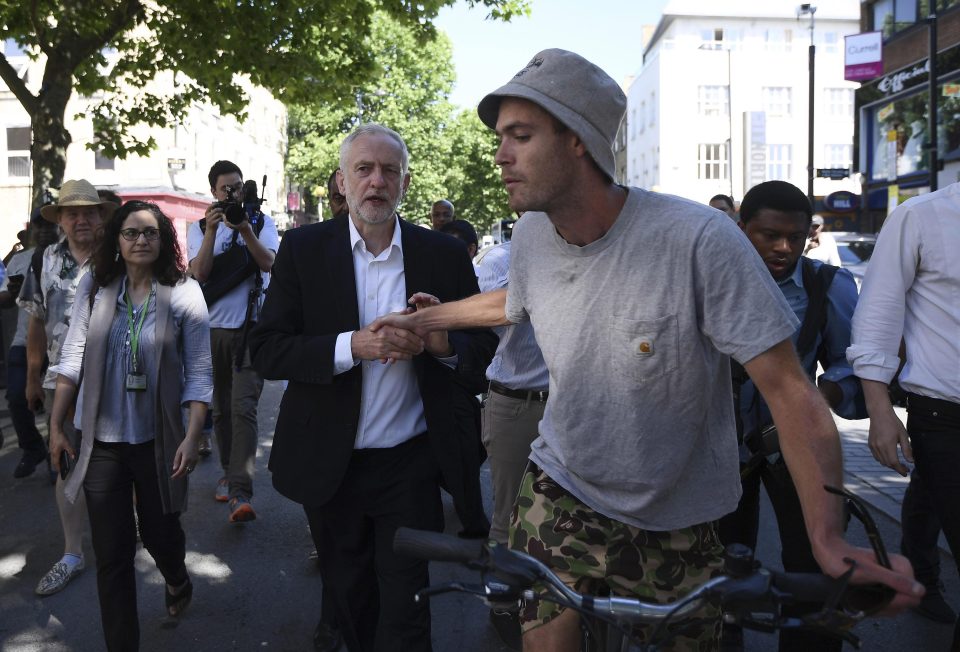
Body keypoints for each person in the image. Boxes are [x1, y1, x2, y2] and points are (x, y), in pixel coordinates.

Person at [373, 49, 921, 651]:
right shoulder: (532, 232)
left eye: (521, 136)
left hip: (680, 515)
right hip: (559, 489)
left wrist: (826, 539)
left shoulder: (700, 241)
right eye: (502, 136)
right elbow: (517, 300)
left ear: (579, 139)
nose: (500, 155)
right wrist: (428, 320)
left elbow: (790, 391)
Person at [248, 123, 497, 652]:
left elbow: (482, 356)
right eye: (364, 169)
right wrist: (351, 347)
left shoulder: (444, 256)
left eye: (389, 170)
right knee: (350, 606)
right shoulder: (303, 249)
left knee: (408, 614)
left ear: (405, 182)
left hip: (410, 465)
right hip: (329, 467)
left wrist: (437, 341)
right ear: (342, 181)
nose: (376, 181)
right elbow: (267, 349)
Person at [47, 200, 211, 651]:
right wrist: (57, 424)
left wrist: (193, 436)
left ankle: (176, 577)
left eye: (150, 233)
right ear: (117, 240)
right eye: (131, 233)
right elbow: (73, 357)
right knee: (113, 554)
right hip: (100, 441)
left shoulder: (183, 292)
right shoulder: (96, 288)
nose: (141, 240)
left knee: (162, 535)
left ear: (163, 241)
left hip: (158, 439)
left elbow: (199, 373)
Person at [718, 180, 863, 652]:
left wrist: (832, 391)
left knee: (815, 571)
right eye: (768, 235)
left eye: (795, 237)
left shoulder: (829, 285)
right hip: (717, 450)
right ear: (742, 230)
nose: (783, 247)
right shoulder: (708, 279)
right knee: (715, 569)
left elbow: (854, 361)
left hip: (796, 447)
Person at [848, 181, 960, 648]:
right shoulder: (923, 216)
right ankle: (924, 575)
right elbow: (877, 316)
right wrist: (879, 410)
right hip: (947, 422)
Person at [20, 179, 118, 595]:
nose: (81, 219)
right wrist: (31, 376)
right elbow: (35, 322)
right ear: (60, 219)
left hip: (114, 375)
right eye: (72, 212)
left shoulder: (118, 255)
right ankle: (73, 553)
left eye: (88, 212)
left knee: (122, 457)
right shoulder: (43, 259)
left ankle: (130, 531)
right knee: (66, 462)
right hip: (62, 378)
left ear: (100, 216)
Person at [188, 160, 278, 522]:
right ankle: (228, 473)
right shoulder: (198, 227)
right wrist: (212, 232)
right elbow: (201, 273)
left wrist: (244, 231)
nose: (232, 193)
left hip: (250, 329)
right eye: (225, 188)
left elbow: (268, 263)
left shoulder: (260, 222)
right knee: (221, 410)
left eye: (237, 187)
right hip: (211, 331)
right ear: (213, 191)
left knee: (243, 408)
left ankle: (241, 492)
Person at [474, 228, 549, 650]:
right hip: (515, 403)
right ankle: (503, 604)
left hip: (568, 403)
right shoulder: (500, 259)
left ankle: (553, 603)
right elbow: (501, 313)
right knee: (509, 511)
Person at [2, 210, 60, 478]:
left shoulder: (68, 256)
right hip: (23, 340)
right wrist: (13, 294)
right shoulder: (19, 260)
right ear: (31, 231)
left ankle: (56, 458)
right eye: (40, 226)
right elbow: (3, 297)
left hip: (59, 342)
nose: (46, 230)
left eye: (51, 225)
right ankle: (33, 447)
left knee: (55, 402)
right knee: (16, 397)